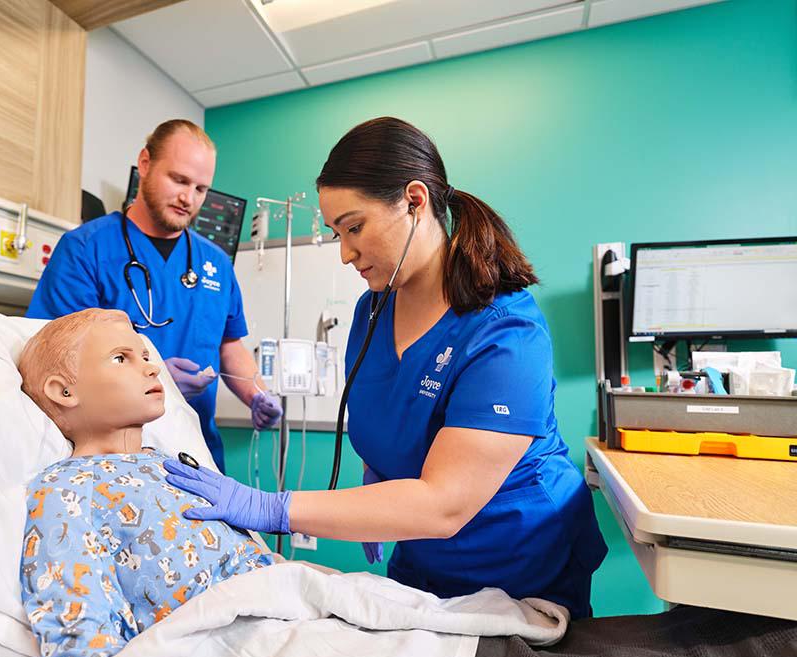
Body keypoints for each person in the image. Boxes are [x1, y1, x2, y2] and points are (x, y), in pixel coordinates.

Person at [161, 117, 608, 620]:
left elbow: (444, 503)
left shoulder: (506, 332)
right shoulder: (372, 311)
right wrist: (379, 482)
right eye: (336, 233)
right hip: (421, 560)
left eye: (355, 227)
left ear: (415, 201)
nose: (346, 253)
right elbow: (398, 422)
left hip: (521, 568)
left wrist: (269, 507)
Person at [17, 308, 273, 657]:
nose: (153, 370)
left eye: (147, 357)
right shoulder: (65, 489)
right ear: (64, 391)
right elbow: (79, 626)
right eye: (121, 358)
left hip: (281, 614)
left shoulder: (175, 462)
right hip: (221, 656)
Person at [26, 120, 280, 471]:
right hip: (110, 455)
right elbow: (54, 355)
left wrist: (257, 395)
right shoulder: (86, 249)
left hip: (198, 451)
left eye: (201, 188)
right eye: (178, 180)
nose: (188, 198)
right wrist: (158, 374)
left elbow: (229, 344)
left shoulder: (216, 265)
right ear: (145, 164)